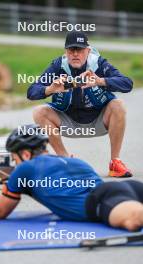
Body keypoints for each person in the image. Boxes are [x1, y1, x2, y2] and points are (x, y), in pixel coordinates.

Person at [0, 124, 143, 232]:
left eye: (15, 158)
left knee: (134, 220)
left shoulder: (25, 169)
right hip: (127, 188)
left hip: (100, 201)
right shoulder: (72, 161)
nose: (15, 164)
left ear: (26, 154)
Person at [27, 31, 133, 178]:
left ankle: (115, 162)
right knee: (39, 111)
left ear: (88, 51)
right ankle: (65, 161)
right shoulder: (58, 66)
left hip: (99, 121)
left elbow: (127, 84)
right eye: (72, 50)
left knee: (118, 105)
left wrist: (100, 81)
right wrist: (50, 89)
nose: (75, 54)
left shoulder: (99, 64)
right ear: (66, 51)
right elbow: (31, 92)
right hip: (68, 122)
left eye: (80, 50)